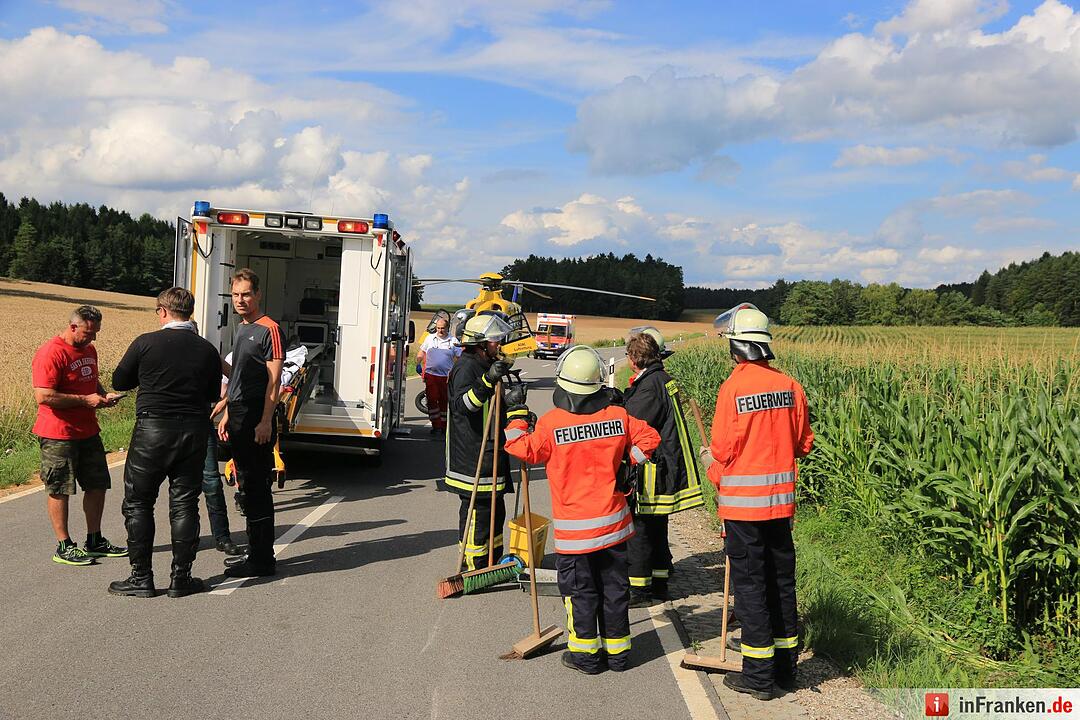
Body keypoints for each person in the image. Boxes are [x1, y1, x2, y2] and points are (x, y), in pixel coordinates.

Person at [504, 345, 660, 674]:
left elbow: (521, 448)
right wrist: (629, 461)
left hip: (577, 534)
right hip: (616, 528)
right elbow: (650, 438)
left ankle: (586, 658)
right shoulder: (618, 417)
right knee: (615, 590)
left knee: (580, 594)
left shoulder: (552, 423)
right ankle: (618, 657)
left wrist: (516, 414)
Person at [701, 304, 814, 700]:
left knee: (750, 590)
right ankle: (786, 670)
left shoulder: (733, 388)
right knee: (781, 584)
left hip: (742, 511)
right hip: (780, 509)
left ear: (736, 346)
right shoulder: (790, 386)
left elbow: (723, 450)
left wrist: (709, 463)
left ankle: (758, 678)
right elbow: (804, 444)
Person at [107, 288, 222, 598]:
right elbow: (213, 393)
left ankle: (141, 577)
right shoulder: (207, 350)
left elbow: (120, 381)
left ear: (162, 311)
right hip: (194, 431)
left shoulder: (145, 343)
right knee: (184, 503)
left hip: (153, 430)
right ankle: (181, 578)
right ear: (191, 313)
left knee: (139, 502)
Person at [31, 305, 127, 566]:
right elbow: (44, 395)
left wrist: (103, 394)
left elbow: (91, 380)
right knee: (60, 487)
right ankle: (64, 545)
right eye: (88, 332)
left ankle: (94, 540)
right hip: (58, 433)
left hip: (88, 429)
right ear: (73, 326)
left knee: (97, 484)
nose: (92, 338)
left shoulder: (89, 350)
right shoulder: (51, 353)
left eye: (95, 333)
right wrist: (85, 400)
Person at [622, 329, 704, 606]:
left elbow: (633, 424)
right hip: (665, 463)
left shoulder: (649, 387)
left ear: (635, 359)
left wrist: (617, 406)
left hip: (652, 468)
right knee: (657, 527)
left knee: (640, 529)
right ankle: (659, 583)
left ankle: (639, 589)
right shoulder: (661, 379)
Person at [217, 268, 284, 578]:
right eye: (235, 295)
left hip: (257, 414)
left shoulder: (268, 329)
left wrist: (266, 421)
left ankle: (261, 559)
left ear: (258, 294)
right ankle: (256, 552)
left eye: (246, 294)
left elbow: (275, 381)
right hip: (241, 413)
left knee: (256, 488)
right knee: (246, 484)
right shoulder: (242, 328)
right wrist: (229, 410)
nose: (240, 300)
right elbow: (240, 377)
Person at [444, 313, 515, 571]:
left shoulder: (486, 364)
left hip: (490, 452)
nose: (500, 344)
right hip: (473, 455)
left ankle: (492, 562)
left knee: (496, 513)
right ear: (481, 343)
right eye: (495, 340)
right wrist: (488, 381)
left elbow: (495, 409)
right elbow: (464, 406)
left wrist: (516, 406)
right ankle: (474, 566)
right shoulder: (466, 367)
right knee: (478, 514)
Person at [204, 381, 241, 556]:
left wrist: (225, 401)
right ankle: (185, 539)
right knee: (181, 488)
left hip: (200, 424)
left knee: (212, 483)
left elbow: (236, 375)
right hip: (167, 427)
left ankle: (222, 537)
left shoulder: (205, 352)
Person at [417, 315, 461, 435]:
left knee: (444, 401)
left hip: (446, 377)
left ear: (447, 328)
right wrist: (418, 362)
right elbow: (422, 352)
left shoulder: (453, 341)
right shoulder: (430, 339)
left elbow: (460, 357)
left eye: (442, 328)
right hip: (431, 375)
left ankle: (444, 425)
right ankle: (436, 425)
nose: (440, 331)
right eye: (438, 328)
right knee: (431, 400)